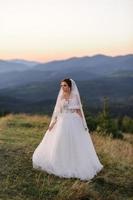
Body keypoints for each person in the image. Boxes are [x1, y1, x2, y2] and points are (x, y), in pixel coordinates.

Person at [32, 78, 103, 181]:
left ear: (70, 86)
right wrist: (52, 124)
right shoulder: (61, 96)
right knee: (60, 141)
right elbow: (57, 112)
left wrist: (83, 123)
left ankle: (75, 162)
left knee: (75, 142)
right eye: (61, 85)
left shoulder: (75, 96)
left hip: (74, 121)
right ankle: (58, 161)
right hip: (62, 121)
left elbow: (79, 111)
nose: (62, 87)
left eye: (64, 85)